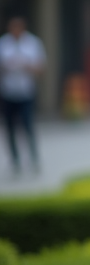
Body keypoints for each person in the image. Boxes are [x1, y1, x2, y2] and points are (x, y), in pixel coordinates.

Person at [0, 16, 45, 174]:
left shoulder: (33, 43)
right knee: (9, 128)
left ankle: (33, 158)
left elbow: (41, 68)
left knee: (28, 126)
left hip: (26, 91)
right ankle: (15, 160)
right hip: (8, 91)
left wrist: (27, 66)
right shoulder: (3, 43)